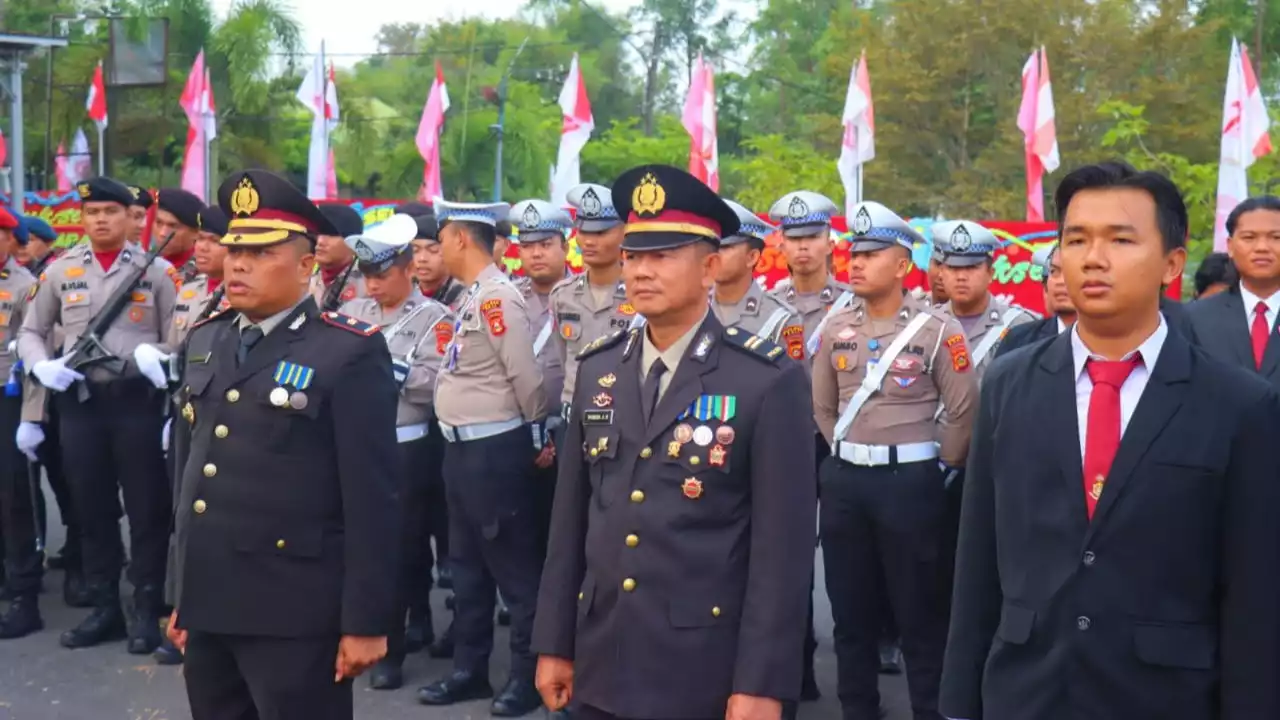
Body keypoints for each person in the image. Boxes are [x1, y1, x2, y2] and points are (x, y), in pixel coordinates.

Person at [940, 161, 1280, 720]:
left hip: (1164, 696)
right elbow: (978, 556)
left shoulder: (1237, 404)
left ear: (1172, 262)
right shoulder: (1009, 381)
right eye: (1076, 239)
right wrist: (957, 703)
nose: (1093, 258)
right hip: (1027, 692)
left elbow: (1253, 597)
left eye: (1121, 239)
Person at [532, 163, 817, 720]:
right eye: (634, 256)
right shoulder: (599, 369)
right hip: (602, 657)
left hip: (701, 667)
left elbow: (781, 554)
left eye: (662, 256)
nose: (641, 271)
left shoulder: (764, 379)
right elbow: (569, 524)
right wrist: (554, 642)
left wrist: (761, 682)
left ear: (710, 266)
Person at [168, 169, 399, 720]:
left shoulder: (346, 352)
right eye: (236, 249)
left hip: (295, 610)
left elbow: (374, 501)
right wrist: (180, 592)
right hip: (211, 600)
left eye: (263, 251)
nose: (239, 263)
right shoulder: (206, 339)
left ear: (305, 265)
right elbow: (187, 475)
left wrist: (366, 620)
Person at [812, 200, 977, 720]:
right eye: (853, 253)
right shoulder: (835, 328)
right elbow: (822, 405)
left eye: (871, 254)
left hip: (911, 482)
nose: (855, 263)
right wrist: (848, 452)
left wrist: (937, 467)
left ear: (903, 264)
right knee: (849, 612)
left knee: (919, 613)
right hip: (845, 480)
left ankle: (930, 710)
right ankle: (858, 709)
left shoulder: (937, 330)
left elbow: (962, 410)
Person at [18, 177, 179, 653]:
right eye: (92, 212)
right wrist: (40, 365)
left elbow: (181, 334)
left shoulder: (157, 272)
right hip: (81, 404)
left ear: (132, 217)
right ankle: (105, 604)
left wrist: (160, 355)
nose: (101, 220)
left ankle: (146, 607)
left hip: (137, 402)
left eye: (111, 211)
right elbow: (32, 330)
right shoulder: (60, 272)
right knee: (91, 507)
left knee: (147, 508)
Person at [418, 198, 549, 717]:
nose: (435, 247)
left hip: (495, 451)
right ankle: (469, 670)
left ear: (460, 241)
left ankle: (526, 675)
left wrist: (533, 434)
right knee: (466, 567)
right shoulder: (472, 297)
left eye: (442, 237)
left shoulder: (497, 298)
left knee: (514, 570)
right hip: (460, 450)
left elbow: (526, 378)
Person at [337, 213, 455, 690]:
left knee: (404, 548)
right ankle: (392, 625)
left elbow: (440, 381)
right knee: (361, 545)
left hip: (408, 445)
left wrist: (400, 376)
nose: (372, 285)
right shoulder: (352, 315)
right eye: (366, 275)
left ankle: (397, 644)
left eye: (381, 275)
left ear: (408, 269)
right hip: (357, 445)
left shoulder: (434, 320)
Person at [508, 199, 571, 556]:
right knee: (520, 527)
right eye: (527, 246)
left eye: (545, 245)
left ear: (565, 246)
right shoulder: (506, 298)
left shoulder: (582, 296)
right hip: (515, 429)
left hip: (569, 430)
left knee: (562, 529)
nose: (535, 254)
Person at [550, 183, 636, 429]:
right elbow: (563, 355)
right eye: (584, 232)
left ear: (623, 232)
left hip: (622, 417)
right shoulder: (562, 295)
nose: (588, 241)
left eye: (600, 233)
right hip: (573, 416)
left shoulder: (639, 294)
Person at [0, 205, 41, 638]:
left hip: (7, 399)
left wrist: (33, 417)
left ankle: (23, 594)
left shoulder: (27, 286)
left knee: (11, 496)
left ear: (13, 241)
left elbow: (31, 353)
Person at [1186, 197, 1280, 384]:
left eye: (1276, 237)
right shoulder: (1194, 318)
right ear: (1230, 246)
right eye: (1249, 238)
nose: (1262, 247)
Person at [933, 221, 1038, 379]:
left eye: (971, 267)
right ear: (941, 272)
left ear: (990, 273)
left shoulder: (1019, 325)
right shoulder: (927, 324)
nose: (961, 277)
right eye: (953, 268)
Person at [768, 191, 854, 358]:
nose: (803, 246)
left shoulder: (853, 303)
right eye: (794, 238)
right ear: (782, 247)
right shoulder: (769, 305)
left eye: (813, 237)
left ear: (830, 245)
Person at [712, 200, 804, 351]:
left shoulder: (781, 319)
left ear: (752, 257)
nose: (714, 255)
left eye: (724, 247)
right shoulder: (693, 311)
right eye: (711, 246)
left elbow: (794, 374)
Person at [994, 244, 1074, 358]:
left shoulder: (1105, 342)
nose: (1060, 282)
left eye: (1069, 273)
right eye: (1053, 272)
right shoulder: (1019, 340)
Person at [309, 202, 366, 308]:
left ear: (352, 243)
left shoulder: (368, 283)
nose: (320, 241)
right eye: (317, 233)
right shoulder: (305, 279)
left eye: (331, 234)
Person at [407, 212, 467, 310]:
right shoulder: (403, 294)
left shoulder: (465, 296)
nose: (422, 258)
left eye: (433, 250)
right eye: (415, 250)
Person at [153, 188, 205, 284]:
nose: (162, 233)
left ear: (196, 233)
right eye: (158, 223)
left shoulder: (204, 272)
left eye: (173, 226)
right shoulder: (146, 267)